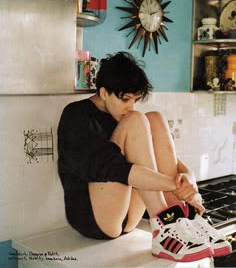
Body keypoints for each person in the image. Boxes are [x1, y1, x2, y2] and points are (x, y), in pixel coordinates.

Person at [57, 51, 231, 262]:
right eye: (125, 99)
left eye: (135, 100)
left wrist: (189, 181)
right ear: (103, 93)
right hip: (94, 220)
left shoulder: (119, 114)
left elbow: (169, 163)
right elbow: (117, 170)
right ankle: (165, 225)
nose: (130, 106)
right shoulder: (76, 115)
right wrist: (175, 185)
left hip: (128, 218)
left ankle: (181, 220)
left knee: (154, 119)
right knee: (137, 120)